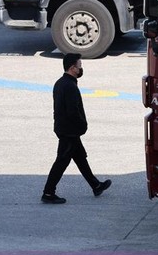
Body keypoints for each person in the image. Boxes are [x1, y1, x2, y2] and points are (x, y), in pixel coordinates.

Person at [41, 54, 112, 204]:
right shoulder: (70, 86)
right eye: (79, 65)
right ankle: (48, 192)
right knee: (62, 161)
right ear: (72, 68)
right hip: (69, 131)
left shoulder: (60, 83)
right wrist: (82, 125)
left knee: (80, 158)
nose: (81, 68)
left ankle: (96, 185)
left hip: (64, 128)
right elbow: (73, 111)